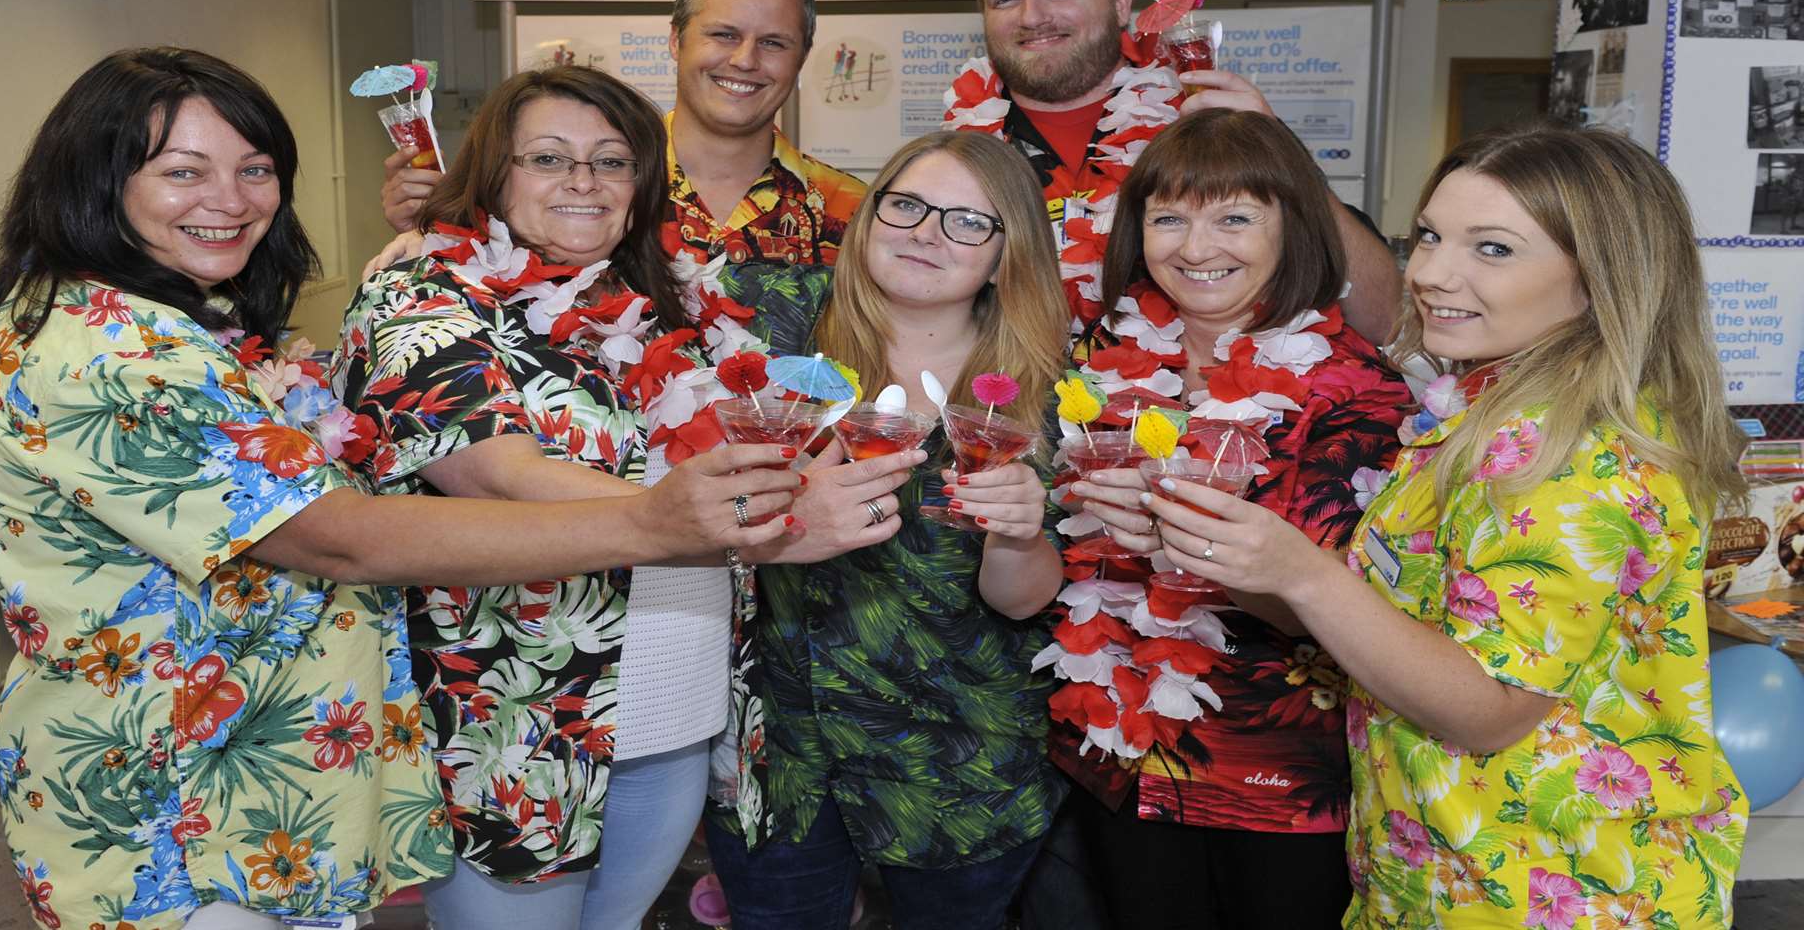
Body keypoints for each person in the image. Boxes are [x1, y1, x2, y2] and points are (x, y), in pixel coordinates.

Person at [0, 47, 816, 930]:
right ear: (95, 182)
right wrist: (659, 522)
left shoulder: (183, 323)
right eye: (184, 171)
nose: (232, 198)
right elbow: (345, 535)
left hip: (282, 767)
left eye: (256, 170)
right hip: (171, 792)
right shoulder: (102, 352)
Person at [1117, 124, 1750, 926]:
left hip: (1554, 889)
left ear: (1599, 279)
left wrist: (1301, 571)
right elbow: (1386, 633)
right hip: (1438, 874)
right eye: (1428, 236)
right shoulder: (1483, 413)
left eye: (1493, 249)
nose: (1431, 272)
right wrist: (1227, 556)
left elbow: (1489, 708)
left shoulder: (1572, 455)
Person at [334, 64, 916, 929]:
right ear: (492, 171)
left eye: (612, 161)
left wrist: (813, 469)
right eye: (547, 158)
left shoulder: (663, 297)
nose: (583, 181)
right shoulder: (422, 291)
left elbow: (729, 441)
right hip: (512, 719)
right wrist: (758, 524)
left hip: (671, 704)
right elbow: (490, 467)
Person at [1045, 109, 1414, 928]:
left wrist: (1186, 550)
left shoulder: (1356, 389)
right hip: (1118, 753)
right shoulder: (1108, 353)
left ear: (1296, 229)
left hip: (1274, 772)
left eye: (1235, 217)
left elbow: (1347, 613)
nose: (1196, 247)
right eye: (1168, 218)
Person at [703, 131, 1072, 929]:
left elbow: (1022, 603)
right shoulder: (767, 321)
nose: (927, 233)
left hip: (959, 763)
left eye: (969, 222)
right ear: (868, 218)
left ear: (1009, 256)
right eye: (906, 205)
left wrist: (1016, 535)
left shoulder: (1048, 392)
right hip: (777, 754)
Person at [952, 0, 1403, 345]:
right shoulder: (958, 157)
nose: (1033, 16)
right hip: (1007, 401)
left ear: (1120, 3)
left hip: (1190, 403)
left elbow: (1384, 320)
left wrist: (1284, 157)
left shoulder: (1206, 117)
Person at [380, 0, 863, 268]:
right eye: (724, 34)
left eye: (774, 43)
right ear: (676, 40)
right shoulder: (587, 187)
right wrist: (428, 232)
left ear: (800, 60)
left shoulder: (854, 212)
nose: (745, 60)